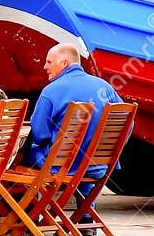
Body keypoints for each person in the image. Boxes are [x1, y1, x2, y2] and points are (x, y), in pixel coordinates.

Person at [25, 42, 120, 171]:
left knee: (21, 153)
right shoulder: (105, 87)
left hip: (58, 166)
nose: (44, 67)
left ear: (65, 63)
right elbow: (126, 124)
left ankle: (25, 191)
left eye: (49, 62)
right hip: (95, 166)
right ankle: (80, 191)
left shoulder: (51, 91)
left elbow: (40, 135)